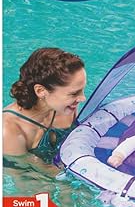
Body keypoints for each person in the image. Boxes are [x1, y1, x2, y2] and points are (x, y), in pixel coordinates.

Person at [3, 47, 86, 176]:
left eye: (82, 90)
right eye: (74, 93)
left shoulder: (66, 107)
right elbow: (24, 181)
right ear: (41, 91)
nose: (82, 98)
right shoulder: (9, 131)